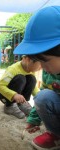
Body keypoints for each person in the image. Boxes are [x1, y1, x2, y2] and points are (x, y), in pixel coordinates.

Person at [14, 6, 60, 150]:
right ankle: (56, 135)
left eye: (45, 60)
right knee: (42, 97)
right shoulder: (49, 73)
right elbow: (43, 95)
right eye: (39, 61)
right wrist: (33, 119)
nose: (42, 67)